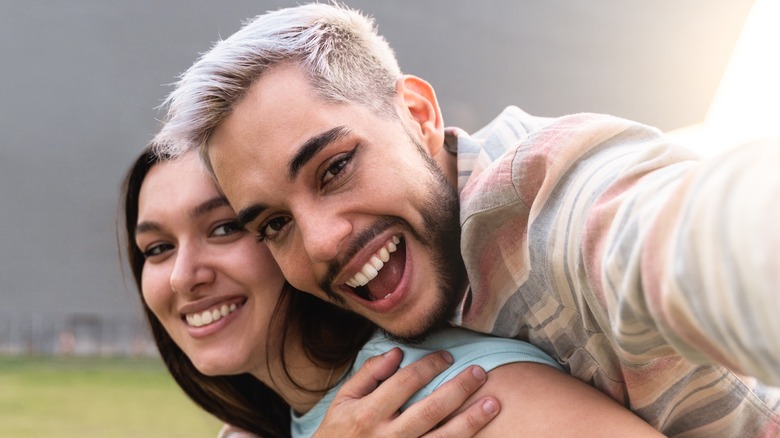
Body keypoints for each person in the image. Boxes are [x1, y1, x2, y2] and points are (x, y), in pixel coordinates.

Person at [150, 3, 780, 436]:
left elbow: (675, 237)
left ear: (420, 116)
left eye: (336, 168)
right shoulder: (361, 354)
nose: (321, 243)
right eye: (274, 225)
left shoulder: (551, 198)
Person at [120, 147, 663, 437]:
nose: (182, 276)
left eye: (223, 229)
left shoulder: (449, 396)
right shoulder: (286, 421)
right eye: (157, 248)